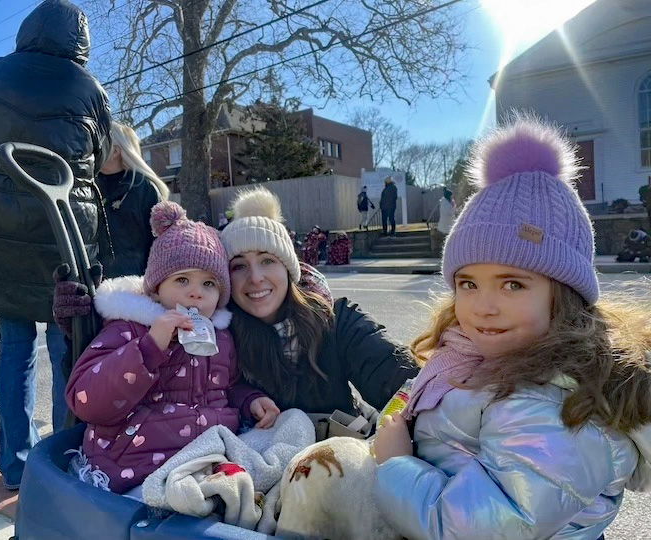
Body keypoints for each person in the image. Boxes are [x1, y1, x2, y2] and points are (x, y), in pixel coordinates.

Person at [372, 118, 651, 539]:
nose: (483, 307)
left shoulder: (556, 403)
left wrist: (394, 465)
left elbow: (474, 528)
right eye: (468, 283)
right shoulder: (474, 357)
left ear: (564, 293)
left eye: (513, 284)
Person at [0, 0, 112, 490]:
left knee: (14, 347)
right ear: (78, 40)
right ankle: (65, 458)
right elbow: (100, 154)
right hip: (61, 228)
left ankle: (16, 465)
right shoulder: (90, 89)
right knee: (67, 342)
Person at [65, 201, 278, 493]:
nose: (196, 293)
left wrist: (249, 400)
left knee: (291, 429)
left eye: (209, 284)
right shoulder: (129, 328)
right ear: (156, 287)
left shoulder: (221, 337)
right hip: (136, 464)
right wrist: (150, 347)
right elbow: (85, 400)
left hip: (204, 457)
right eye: (182, 280)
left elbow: (227, 388)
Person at [220, 187, 418, 415]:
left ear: (288, 269)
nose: (255, 278)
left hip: (338, 447)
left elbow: (402, 383)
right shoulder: (219, 341)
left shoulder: (336, 321)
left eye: (267, 261)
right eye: (239, 266)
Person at [96, 122, 168, 279]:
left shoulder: (144, 189)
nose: (91, 148)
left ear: (115, 151)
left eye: (97, 142)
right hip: (93, 285)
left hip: (135, 286)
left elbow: (160, 243)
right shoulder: (87, 187)